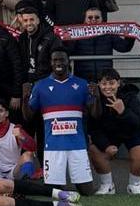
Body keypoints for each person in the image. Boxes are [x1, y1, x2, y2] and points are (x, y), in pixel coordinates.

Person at [25, 50, 95, 194]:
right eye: (55, 60)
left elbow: (95, 114)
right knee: (55, 191)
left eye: (62, 59)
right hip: (53, 147)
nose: (58, 63)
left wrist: (96, 97)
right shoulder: (40, 85)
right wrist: (25, 98)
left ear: (68, 61)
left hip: (77, 145)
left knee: (87, 191)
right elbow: (28, 116)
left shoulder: (82, 84)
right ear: (50, 63)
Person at [87, 69, 140, 195]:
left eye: (111, 83)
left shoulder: (129, 96)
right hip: (109, 134)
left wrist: (123, 112)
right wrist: (105, 145)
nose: (108, 87)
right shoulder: (94, 99)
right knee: (94, 149)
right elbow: (93, 128)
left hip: (131, 131)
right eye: (104, 84)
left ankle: (135, 185)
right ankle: (107, 185)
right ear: (99, 84)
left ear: (118, 83)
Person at [67, 7, 134, 83]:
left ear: (102, 19)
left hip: (104, 78)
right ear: (84, 19)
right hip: (83, 77)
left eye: (97, 17)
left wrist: (130, 35)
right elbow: (69, 51)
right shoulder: (76, 35)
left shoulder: (109, 34)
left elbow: (124, 48)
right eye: (90, 17)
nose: (93, 20)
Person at [13, 5, 63, 94]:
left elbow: (58, 63)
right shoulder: (22, 38)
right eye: (25, 20)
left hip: (47, 84)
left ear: (38, 20)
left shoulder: (51, 38)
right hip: (28, 84)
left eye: (32, 19)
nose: (28, 23)